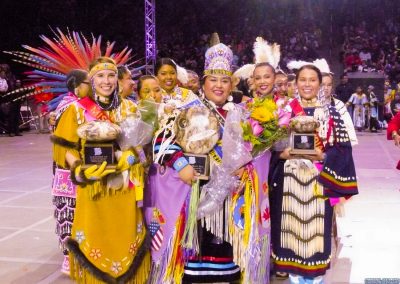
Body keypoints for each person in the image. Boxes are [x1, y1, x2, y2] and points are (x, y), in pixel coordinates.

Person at [52, 57, 150, 283]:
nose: (106, 81)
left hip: (123, 188)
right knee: (96, 239)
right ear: (92, 80)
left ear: (117, 78)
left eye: (111, 75)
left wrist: (132, 156)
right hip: (94, 188)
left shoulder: (130, 108)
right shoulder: (77, 109)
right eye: (101, 76)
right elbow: (64, 147)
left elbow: (143, 146)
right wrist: (80, 169)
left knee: (125, 238)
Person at [269, 63, 358, 284]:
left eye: (312, 80)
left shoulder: (332, 111)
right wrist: (282, 154)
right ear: (295, 83)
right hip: (289, 182)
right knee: (291, 236)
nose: (307, 84)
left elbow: (343, 148)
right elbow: (267, 147)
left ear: (320, 83)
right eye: (303, 80)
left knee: (315, 237)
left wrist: (323, 157)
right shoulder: (282, 108)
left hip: (319, 182)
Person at [50, 69, 90, 274]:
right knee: (69, 214)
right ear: (78, 86)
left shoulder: (68, 104)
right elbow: (64, 145)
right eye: (88, 83)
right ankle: (69, 258)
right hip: (70, 171)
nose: (91, 86)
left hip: (68, 172)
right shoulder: (72, 107)